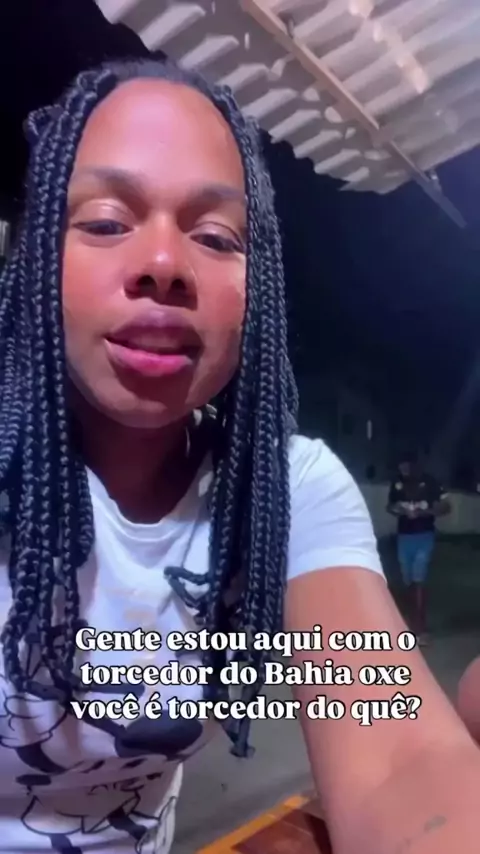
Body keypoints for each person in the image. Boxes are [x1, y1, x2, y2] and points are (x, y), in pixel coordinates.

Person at [0, 58, 480, 854]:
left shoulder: (287, 488)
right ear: (36, 257)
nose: (163, 264)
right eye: (107, 222)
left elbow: (397, 758)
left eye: (216, 236)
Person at [387, 456, 450, 643]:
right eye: (400, 467)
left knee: (418, 580)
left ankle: (420, 629)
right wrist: (399, 510)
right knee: (409, 582)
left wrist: (424, 512)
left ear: (414, 465)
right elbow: (390, 505)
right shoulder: (397, 483)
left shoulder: (430, 482)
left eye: (406, 466)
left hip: (424, 536)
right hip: (404, 537)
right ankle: (411, 623)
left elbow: (446, 507)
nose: (403, 470)